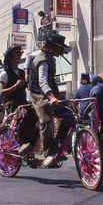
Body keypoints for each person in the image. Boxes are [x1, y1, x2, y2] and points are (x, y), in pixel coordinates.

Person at [25, 30, 72, 167]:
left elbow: (50, 82)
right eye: (59, 48)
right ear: (51, 47)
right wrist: (52, 97)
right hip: (37, 93)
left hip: (47, 93)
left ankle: (57, 143)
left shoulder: (50, 58)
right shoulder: (43, 60)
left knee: (69, 115)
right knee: (46, 119)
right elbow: (42, 82)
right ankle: (48, 153)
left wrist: (58, 97)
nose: (61, 51)